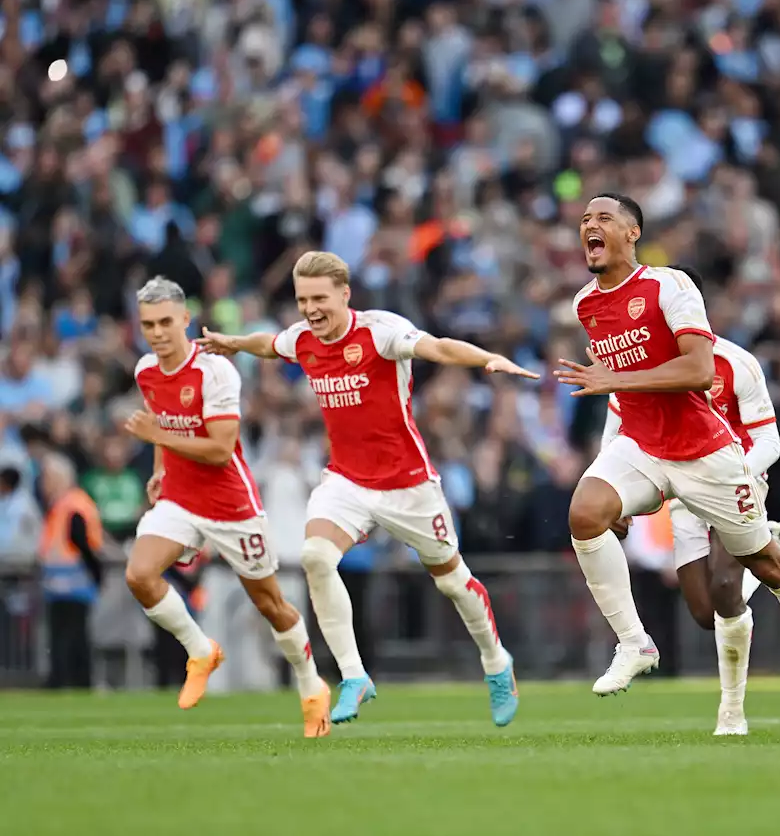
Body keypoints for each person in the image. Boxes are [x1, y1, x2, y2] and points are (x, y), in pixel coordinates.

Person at [554, 194, 780, 740]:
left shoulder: (671, 287)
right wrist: (610, 464)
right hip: (643, 447)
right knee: (584, 513)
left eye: (602, 218)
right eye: (583, 221)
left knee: (764, 566)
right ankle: (634, 643)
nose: (589, 227)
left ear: (633, 232)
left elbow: (695, 371)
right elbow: (622, 396)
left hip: (704, 453)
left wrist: (611, 381)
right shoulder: (586, 305)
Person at [197, 252, 535, 726]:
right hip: (347, 481)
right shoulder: (303, 339)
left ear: (344, 294)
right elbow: (272, 344)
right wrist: (234, 342)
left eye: (320, 298)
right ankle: (354, 677)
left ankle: (497, 663)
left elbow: (436, 348)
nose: (311, 309)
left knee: (453, 582)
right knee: (315, 556)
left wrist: (488, 359)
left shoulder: (379, 332)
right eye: (302, 299)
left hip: (408, 484)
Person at [601, 263, 780, 736]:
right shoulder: (638, 364)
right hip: (678, 494)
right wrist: (614, 493)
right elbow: (616, 430)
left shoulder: (735, 362)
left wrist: (737, 473)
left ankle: (735, 711)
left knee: (725, 587)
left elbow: (769, 441)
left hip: (727, 483)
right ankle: (772, 542)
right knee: (705, 613)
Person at [123, 277, 330, 737]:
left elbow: (219, 450)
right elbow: (161, 418)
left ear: (185, 320)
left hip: (229, 505)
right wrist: (159, 466)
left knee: (272, 604)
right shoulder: (145, 371)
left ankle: (311, 685)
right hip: (179, 497)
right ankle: (201, 649)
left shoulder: (215, 372)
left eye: (164, 323)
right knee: (139, 574)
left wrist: (157, 439)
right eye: (147, 325)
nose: (156, 333)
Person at [37, 451, 103, 689]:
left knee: (70, 636)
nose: (44, 484)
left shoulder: (71, 504)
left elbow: (81, 542)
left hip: (73, 581)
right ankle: (69, 679)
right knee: (66, 635)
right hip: (65, 582)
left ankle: (70, 680)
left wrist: (95, 574)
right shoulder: (65, 504)